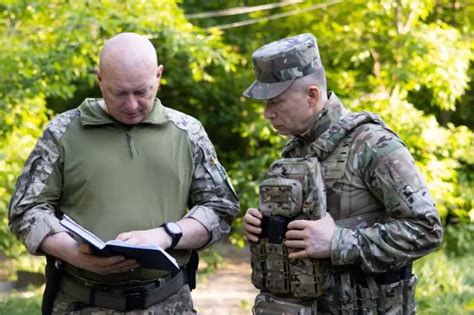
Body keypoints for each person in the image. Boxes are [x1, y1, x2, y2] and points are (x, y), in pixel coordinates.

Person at [8, 32, 239, 314]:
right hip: (82, 303)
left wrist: (166, 235)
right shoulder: (62, 132)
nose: (131, 105)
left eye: (142, 91)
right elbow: (26, 209)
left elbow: (221, 208)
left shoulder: (187, 132)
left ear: (158, 75)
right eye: (119, 93)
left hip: (169, 302)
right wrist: (74, 253)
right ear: (99, 79)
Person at [242, 33, 442, 314]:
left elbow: (427, 229)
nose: (267, 113)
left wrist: (338, 242)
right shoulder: (294, 152)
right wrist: (265, 228)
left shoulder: (373, 145)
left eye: (276, 101)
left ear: (312, 95)